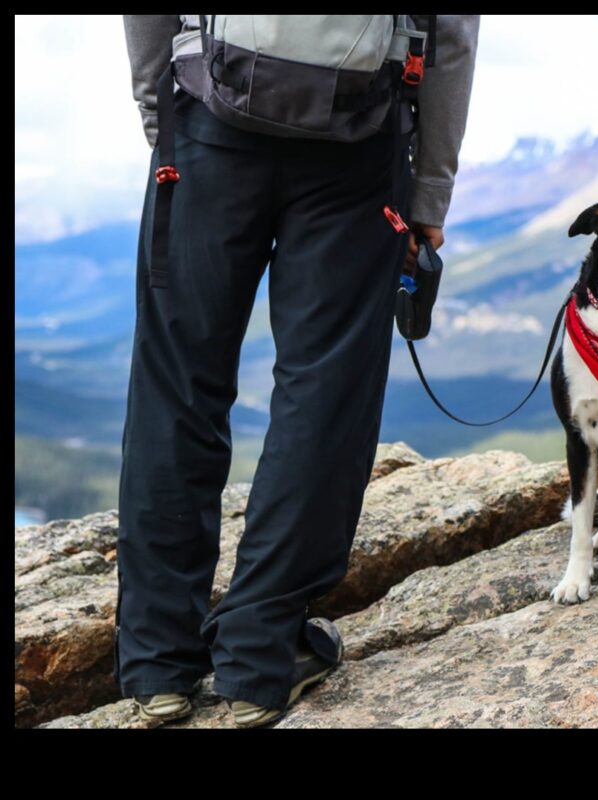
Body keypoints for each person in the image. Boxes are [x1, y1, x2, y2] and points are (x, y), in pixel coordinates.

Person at [116, 14, 479, 727]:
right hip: (359, 134)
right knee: (324, 393)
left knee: (177, 385)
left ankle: (159, 663)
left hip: (208, 117)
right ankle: (258, 658)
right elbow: (452, 35)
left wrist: (165, 111)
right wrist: (429, 192)